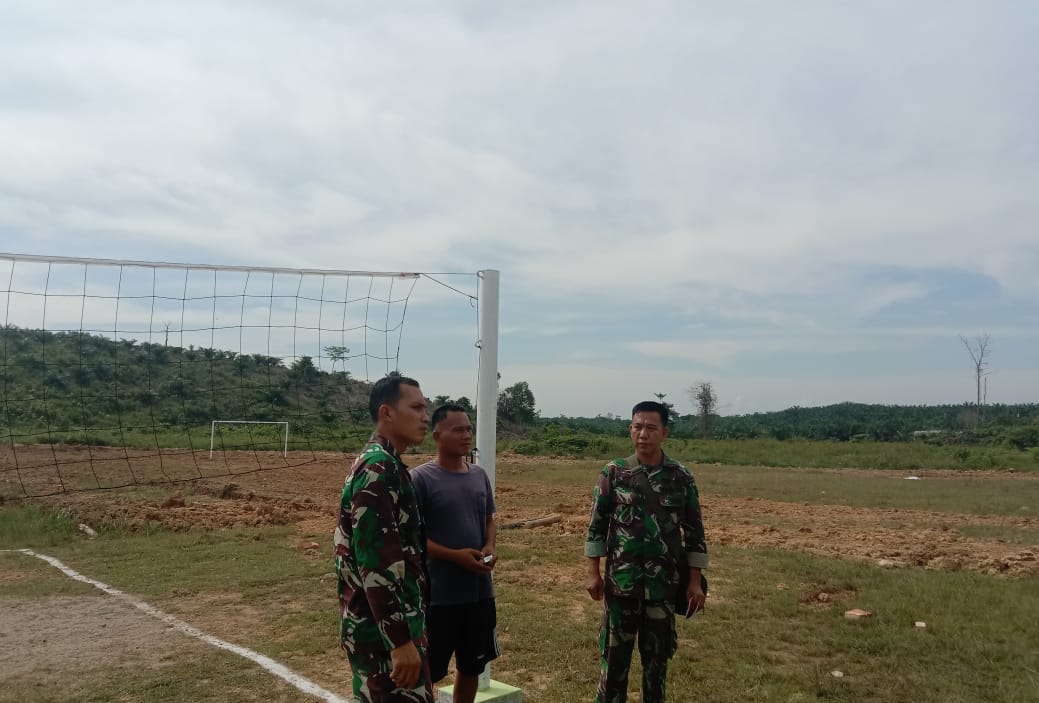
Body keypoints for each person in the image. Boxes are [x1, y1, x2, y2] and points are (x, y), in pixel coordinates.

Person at [584, 400, 708, 703]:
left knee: (656, 668)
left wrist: (694, 582)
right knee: (613, 666)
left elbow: (695, 534)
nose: (643, 434)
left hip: (663, 589)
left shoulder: (681, 477)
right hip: (621, 587)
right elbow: (596, 527)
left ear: (664, 432)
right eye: (637, 427)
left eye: (651, 428)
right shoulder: (613, 473)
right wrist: (593, 573)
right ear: (630, 430)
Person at [334, 375, 433, 703]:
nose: (425, 417)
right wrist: (399, 641)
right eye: (416, 408)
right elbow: (376, 565)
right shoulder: (378, 468)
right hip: (383, 637)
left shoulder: (386, 462)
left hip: (383, 629)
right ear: (386, 413)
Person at [411, 404, 500, 703]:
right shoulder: (420, 479)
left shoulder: (479, 475)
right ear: (437, 435)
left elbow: (489, 518)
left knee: (472, 666)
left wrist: (490, 546)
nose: (466, 435)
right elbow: (413, 538)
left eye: (469, 429)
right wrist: (455, 556)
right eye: (458, 429)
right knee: (428, 671)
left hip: (478, 593)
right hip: (438, 597)